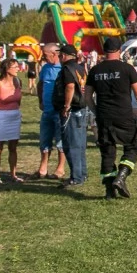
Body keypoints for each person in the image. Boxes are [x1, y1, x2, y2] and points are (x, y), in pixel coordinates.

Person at [85, 37, 137, 200]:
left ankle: (109, 191)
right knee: (133, 145)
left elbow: (87, 96)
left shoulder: (95, 70)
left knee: (107, 152)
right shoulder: (127, 69)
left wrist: (96, 111)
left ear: (104, 51)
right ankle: (121, 176)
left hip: (104, 117)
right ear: (119, 51)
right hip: (124, 115)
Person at [54, 44, 88, 189]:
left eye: (60, 54)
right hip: (81, 108)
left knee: (71, 144)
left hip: (72, 110)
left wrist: (66, 106)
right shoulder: (80, 67)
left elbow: (70, 87)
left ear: (64, 55)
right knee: (80, 144)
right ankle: (82, 173)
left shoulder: (67, 68)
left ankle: (76, 177)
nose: (60, 57)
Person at [30, 45, 66, 180]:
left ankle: (60, 168)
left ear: (54, 53)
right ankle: (43, 168)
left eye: (45, 55)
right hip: (47, 110)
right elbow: (40, 85)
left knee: (60, 141)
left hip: (59, 110)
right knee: (44, 139)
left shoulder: (63, 68)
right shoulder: (45, 68)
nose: (43, 57)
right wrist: (40, 100)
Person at [0, 58, 23, 184]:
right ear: (7, 69)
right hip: (1, 117)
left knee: (13, 147)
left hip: (15, 116)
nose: (18, 68)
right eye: (15, 66)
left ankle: (13, 174)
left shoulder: (18, 82)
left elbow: (18, 100)